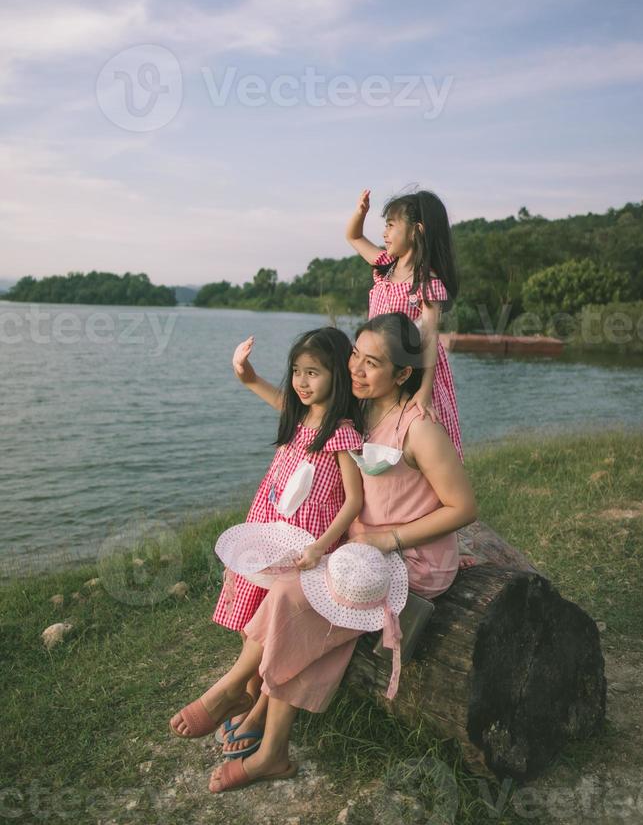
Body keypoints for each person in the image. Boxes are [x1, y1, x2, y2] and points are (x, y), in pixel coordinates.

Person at [169, 313, 477, 794]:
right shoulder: (362, 407)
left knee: (296, 598)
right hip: (362, 551)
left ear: (401, 375)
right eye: (356, 353)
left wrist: (387, 540)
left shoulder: (419, 429)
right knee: (295, 597)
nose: (355, 367)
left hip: (409, 559)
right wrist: (252, 380)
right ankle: (262, 729)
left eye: (371, 363)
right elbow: (305, 416)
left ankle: (239, 693)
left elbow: (464, 507)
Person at [208, 327, 364, 758]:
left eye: (313, 372)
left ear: (337, 374)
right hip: (267, 533)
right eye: (296, 371)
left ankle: (258, 707)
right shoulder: (300, 416)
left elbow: (354, 500)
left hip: (303, 545)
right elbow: (266, 391)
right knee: (250, 620)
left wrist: (321, 546)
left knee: (275, 626)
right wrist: (247, 373)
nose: (301, 381)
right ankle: (248, 689)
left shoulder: (343, 433)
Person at [346, 188, 463, 461]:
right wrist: (360, 213)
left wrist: (423, 392)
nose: (384, 234)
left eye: (390, 225)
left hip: (411, 371)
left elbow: (430, 338)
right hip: (377, 365)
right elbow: (353, 236)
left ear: (416, 230)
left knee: (414, 435)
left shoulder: (427, 282)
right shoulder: (385, 266)